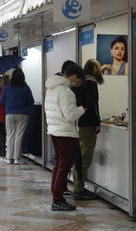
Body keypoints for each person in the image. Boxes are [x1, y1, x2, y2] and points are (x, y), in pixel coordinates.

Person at [45, 64, 86, 211]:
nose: (77, 83)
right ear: (73, 76)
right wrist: (82, 109)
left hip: (55, 131)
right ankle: (58, 199)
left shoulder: (51, 88)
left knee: (58, 165)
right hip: (66, 133)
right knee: (64, 166)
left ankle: (57, 195)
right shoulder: (66, 91)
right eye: (78, 80)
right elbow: (70, 116)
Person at [72, 59, 103, 200]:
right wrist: (97, 121)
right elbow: (92, 105)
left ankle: (77, 184)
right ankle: (79, 188)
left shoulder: (79, 85)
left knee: (79, 155)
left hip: (78, 123)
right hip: (87, 124)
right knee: (85, 156)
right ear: (94, 70)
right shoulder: (90, 84)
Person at [0, 68, 34, 164]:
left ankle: (9, 158)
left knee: (10, 135)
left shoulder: (7, 87)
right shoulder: (26, 87)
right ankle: (17, 158)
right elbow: (31, 101)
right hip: (23, 114)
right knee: (19, 136)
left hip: (9, 114)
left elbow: (1, 101)